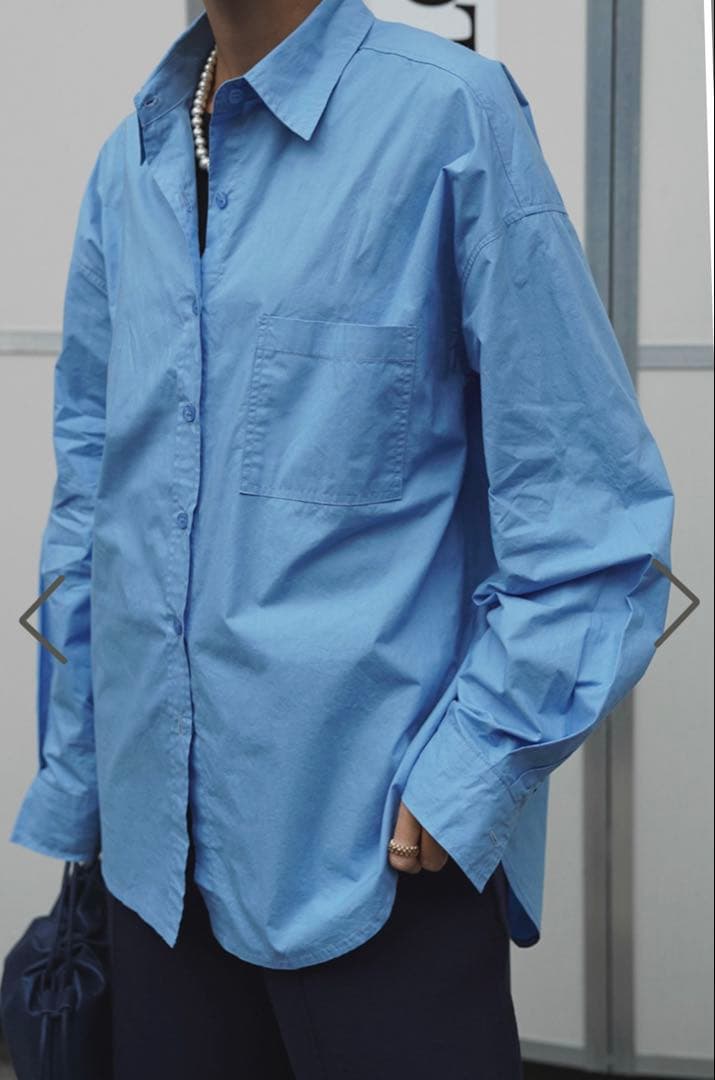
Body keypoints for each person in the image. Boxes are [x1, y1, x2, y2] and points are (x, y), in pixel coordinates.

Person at [9, 0, 675, 1076]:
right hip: (151, 862)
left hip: (371, 857)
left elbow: (592, 517)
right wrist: (83, 781)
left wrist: (472, 767)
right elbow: (94, 497)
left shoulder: (446, 114)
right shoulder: (133, 156)